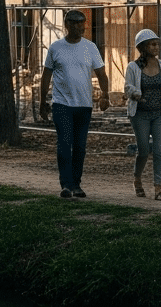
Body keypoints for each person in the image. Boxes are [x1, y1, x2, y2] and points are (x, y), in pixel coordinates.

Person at [39, 10, 110, 199]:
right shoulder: (56, 48)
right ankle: (66, 184)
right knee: (64, 143)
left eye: (83, 23)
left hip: (84, 105)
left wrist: (105, 95)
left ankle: (76, 184)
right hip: (61, 104)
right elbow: (46, 76)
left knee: (80, 147)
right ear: (67, 25)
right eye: (76, 23)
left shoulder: (90, 47)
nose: (81, 27)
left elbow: (101, 73)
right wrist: (42, 102)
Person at [124, 28, 161, 202]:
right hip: (140, 114)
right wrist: (136, 94)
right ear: (143, 47)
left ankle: (158, 189)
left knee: (160, 151)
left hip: (160, 113)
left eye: (157, 44)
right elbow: (127, 87)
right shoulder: (133, 67)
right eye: (152, 44)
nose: (156, 47)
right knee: (144, 150)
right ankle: (137, 179)